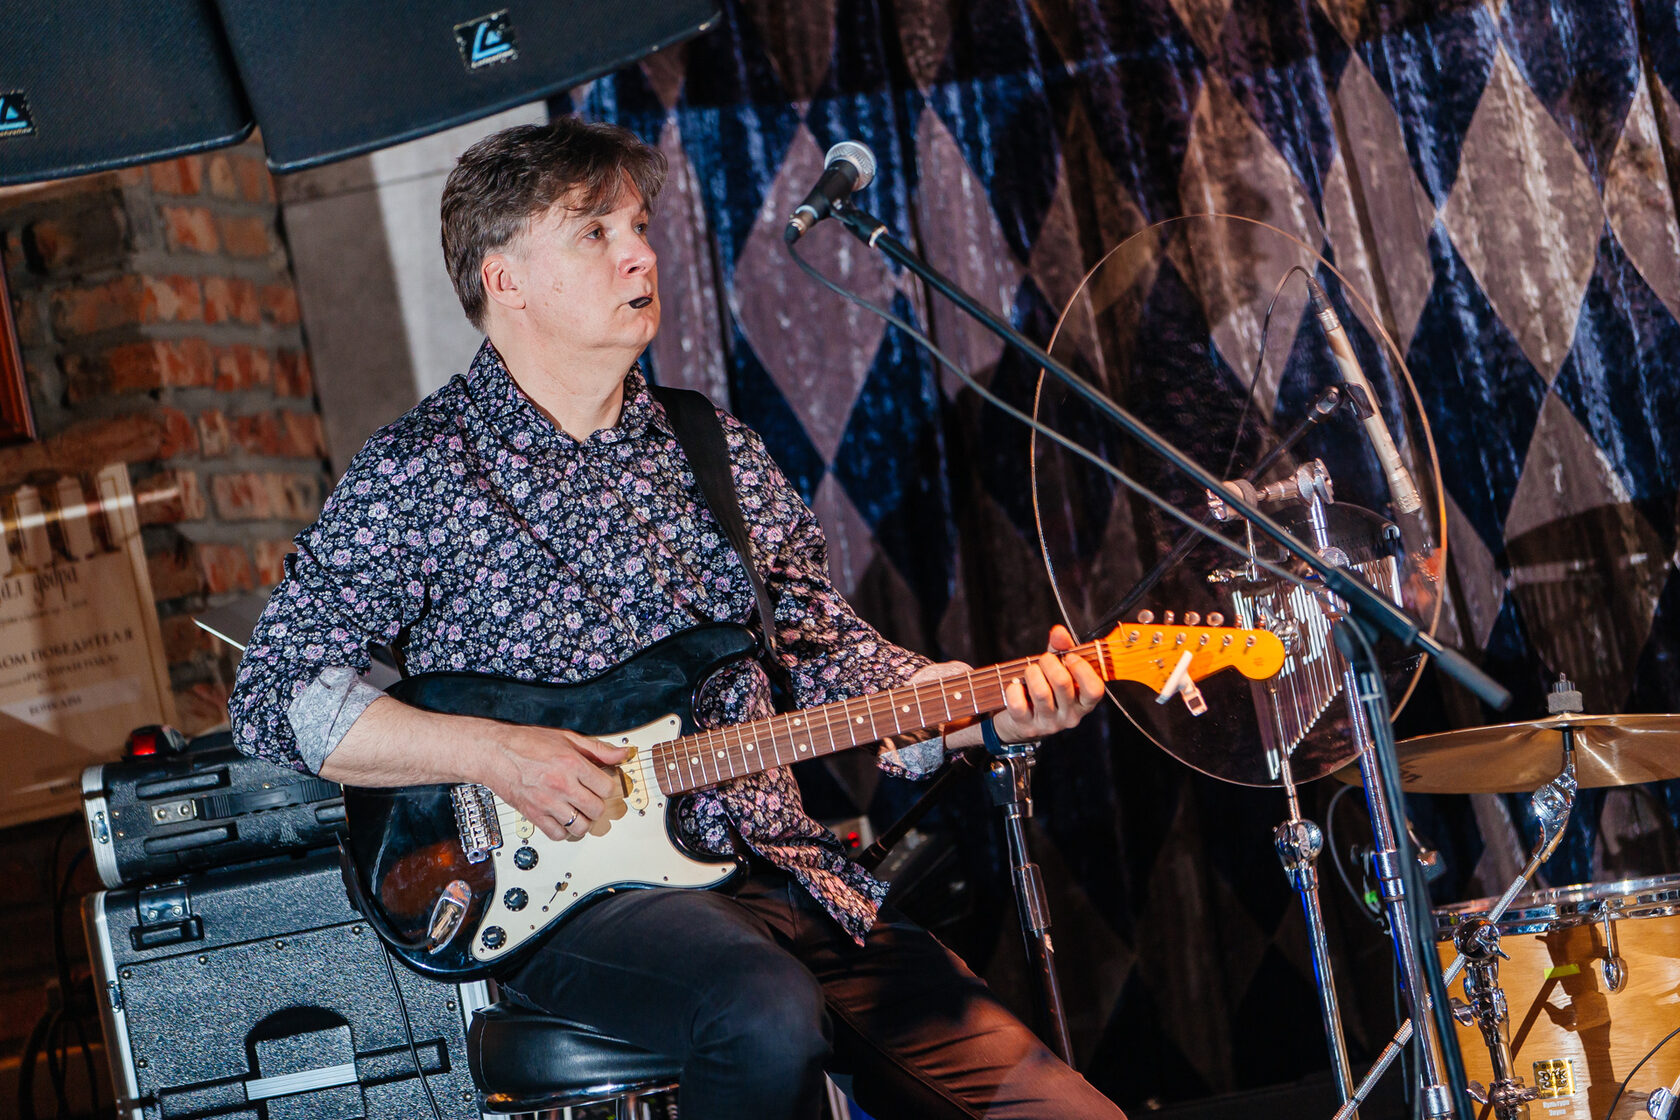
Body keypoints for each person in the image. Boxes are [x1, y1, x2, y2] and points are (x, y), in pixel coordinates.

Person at [228, 117, 1124, 1120]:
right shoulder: (417, 472)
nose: (640, 255)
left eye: (639, 227)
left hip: (781, 868)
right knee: (761, 1011)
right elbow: (275, 697)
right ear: (504, 280)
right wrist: (496, 754)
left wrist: (982, 709)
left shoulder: (714, 448)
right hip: (577, 902)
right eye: (594, 233)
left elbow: (833, 659)